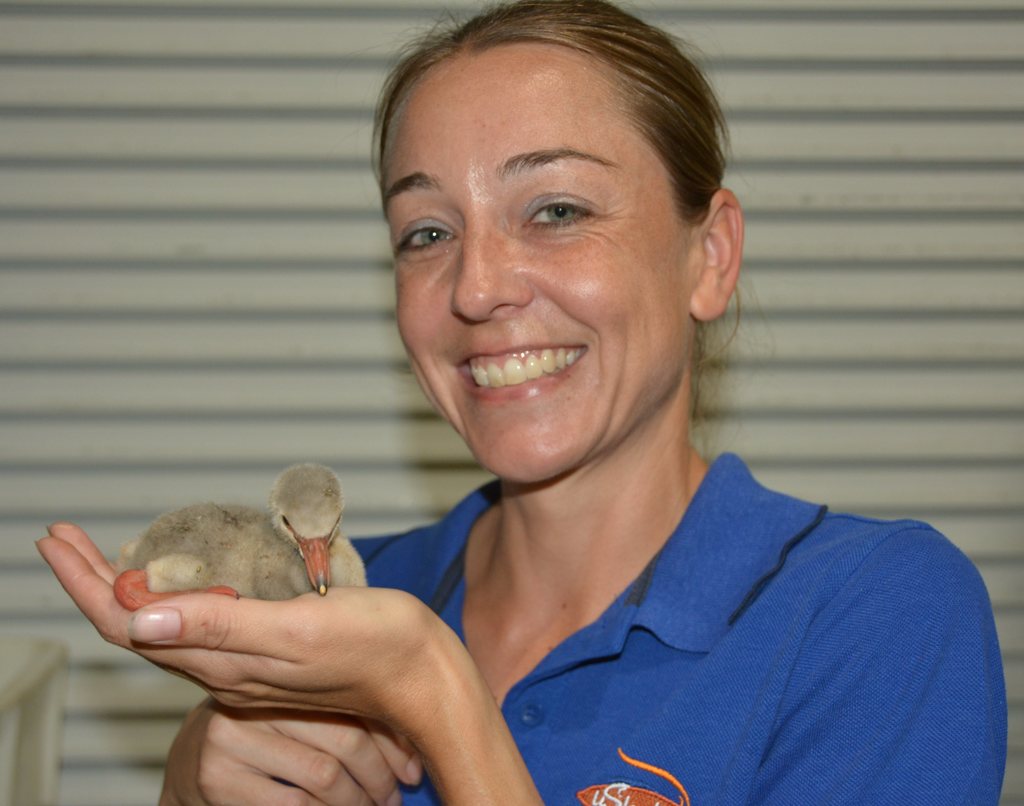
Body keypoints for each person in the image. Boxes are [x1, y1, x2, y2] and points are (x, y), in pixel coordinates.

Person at [38, 1, 1007, 803]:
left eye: (555, 210)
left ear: (707, 256)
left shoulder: (875, 612)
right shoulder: (342, 598)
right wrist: (189, 786)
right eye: (424, 231)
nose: (474, 285)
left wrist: (435, 692)